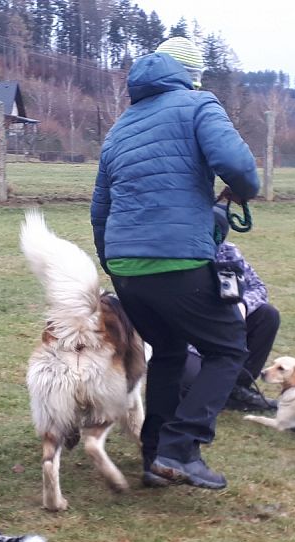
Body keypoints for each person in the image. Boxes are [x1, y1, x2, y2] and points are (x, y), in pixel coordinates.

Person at [91, 37, 260, 490]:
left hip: (126, 265)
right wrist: (244, 189)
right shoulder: (199, 104)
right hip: (177, 260)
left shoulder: (121, 126)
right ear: (188, 75)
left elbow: (100, 206)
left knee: (166, 352)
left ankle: (154, 457)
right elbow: (236, 163)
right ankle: (181, 447)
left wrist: (113, 262)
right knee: (228, 349)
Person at [182, 205, 280, 413]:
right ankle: (211, 387)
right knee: (190, 389)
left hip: (227, 327)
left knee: (268, 315)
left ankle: (237, 388)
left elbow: (258, 287)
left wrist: (242, 305)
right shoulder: (178, 257)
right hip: (188, 341)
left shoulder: (229, 252)